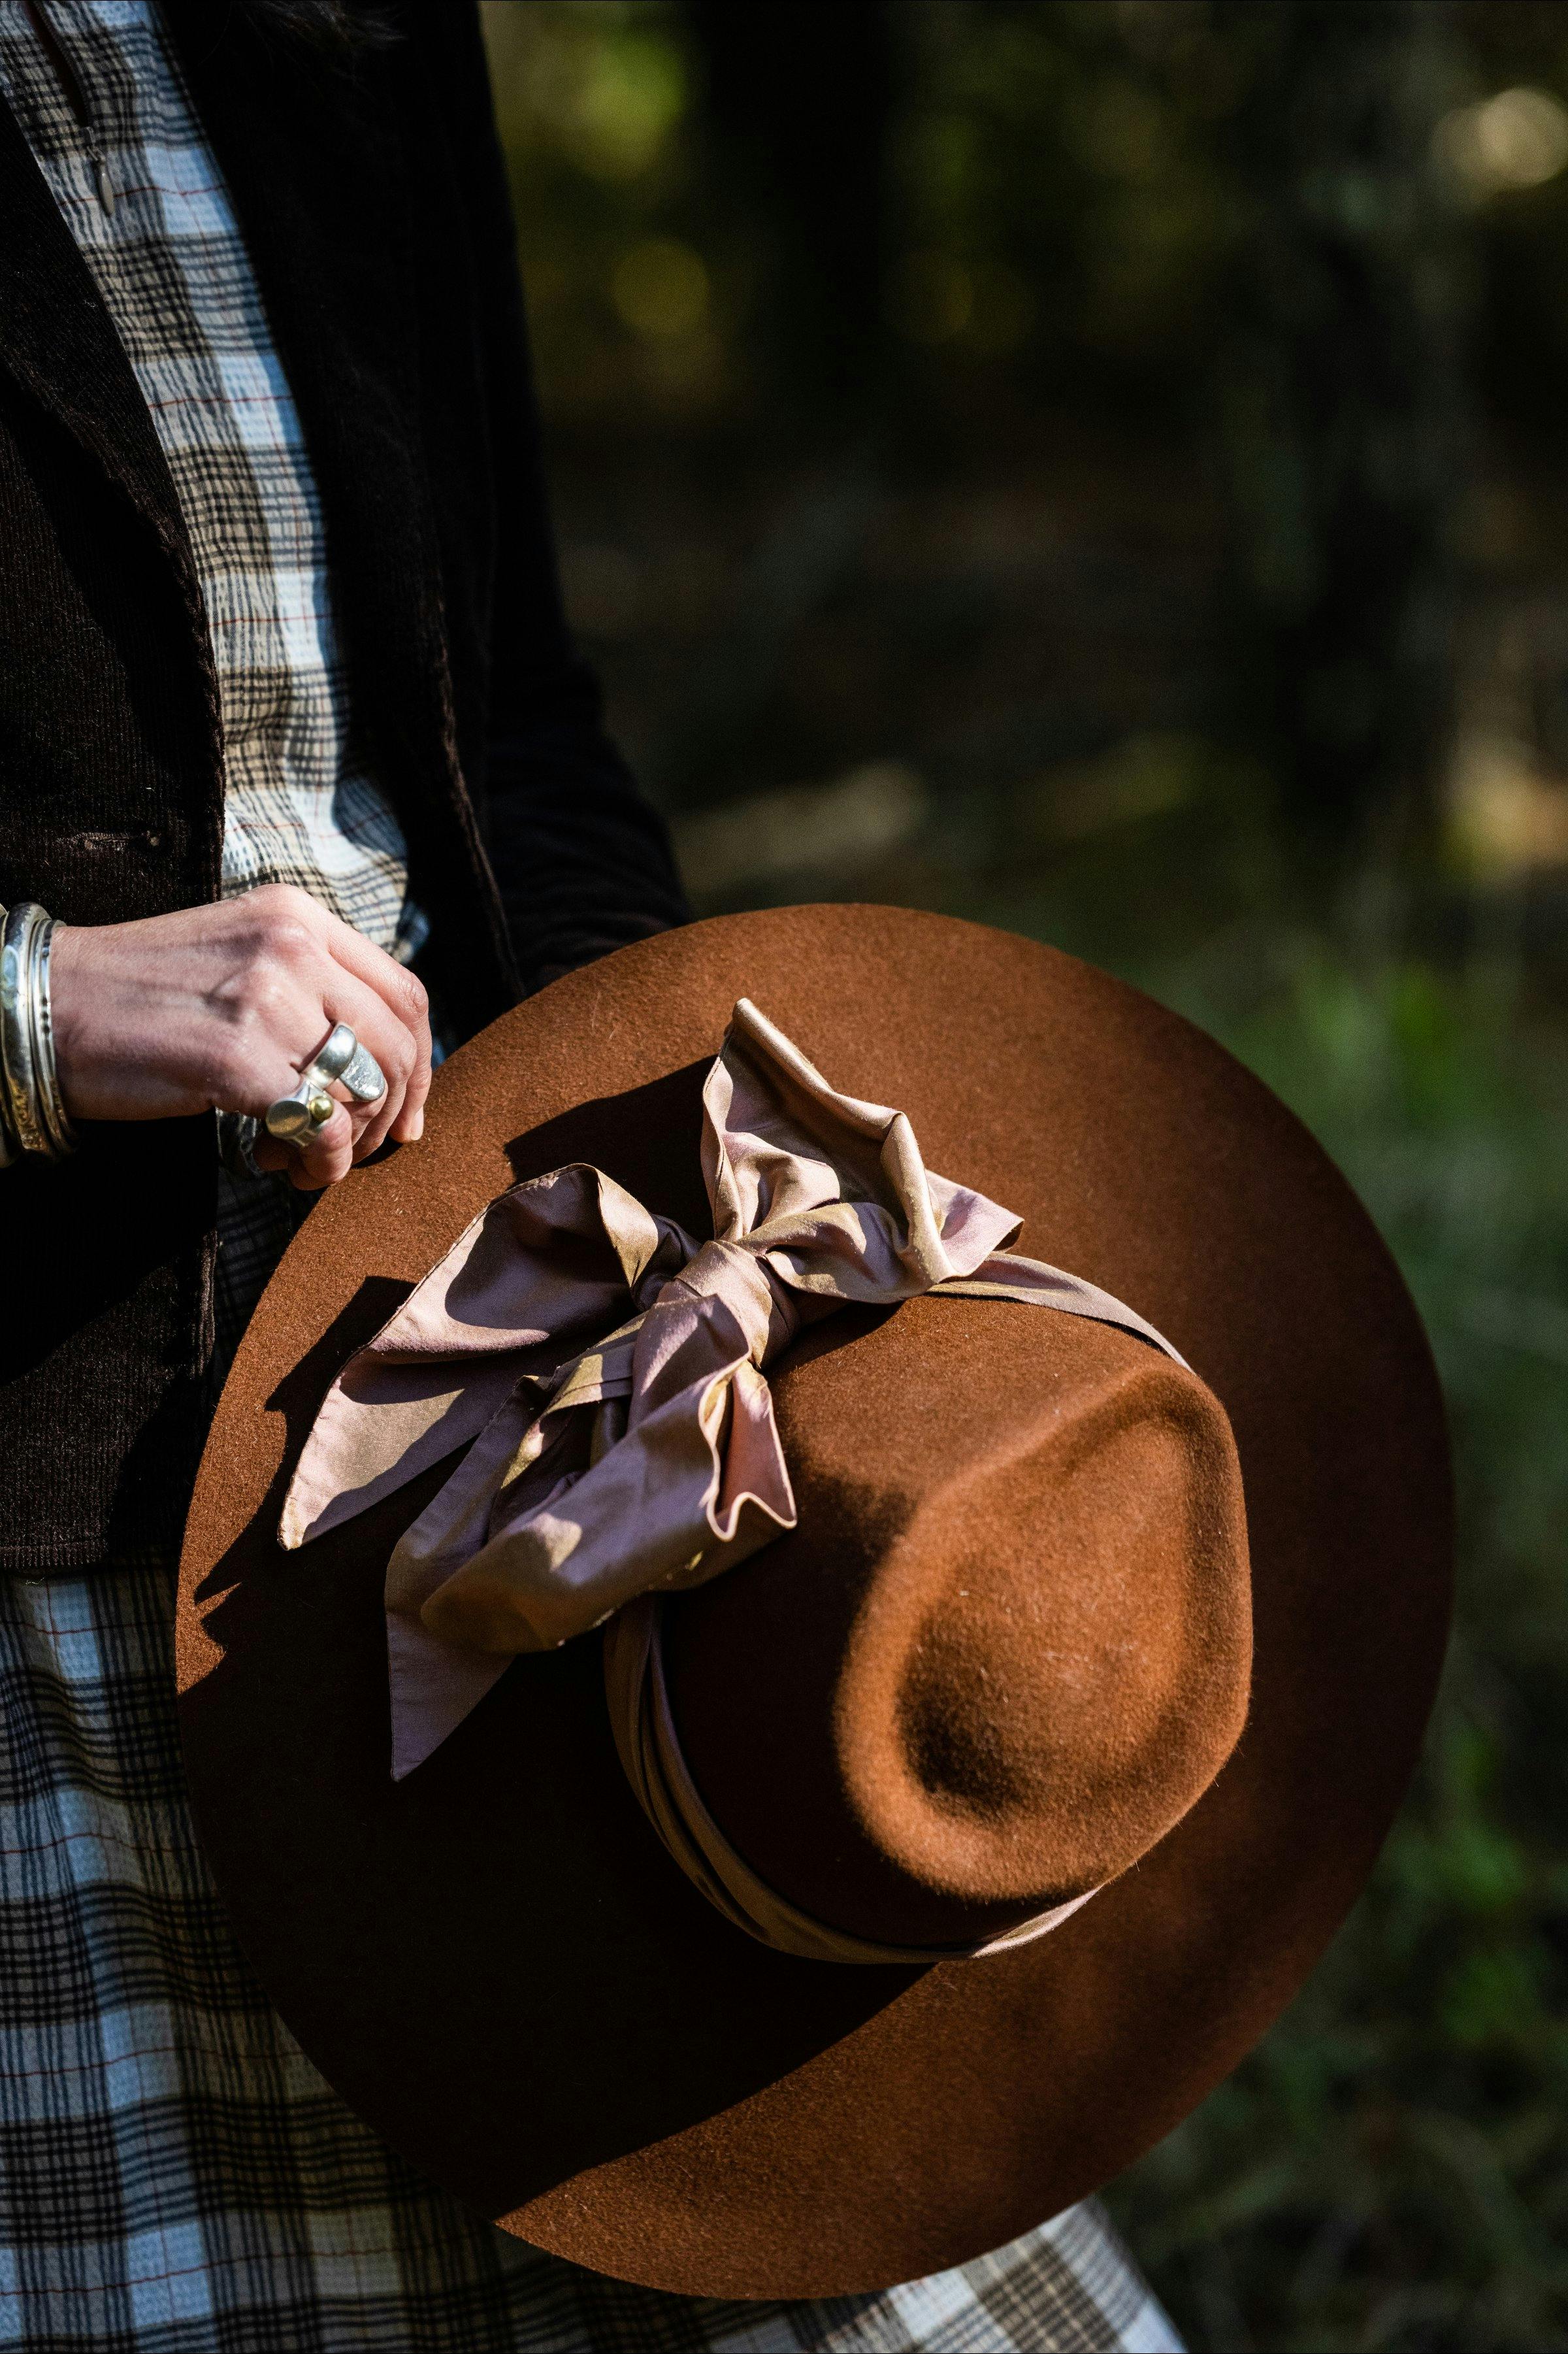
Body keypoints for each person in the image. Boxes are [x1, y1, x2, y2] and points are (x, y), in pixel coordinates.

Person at [0, 3, 1181, 2346]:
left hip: (528, 1408)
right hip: (59, 1526)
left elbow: (511, 702)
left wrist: (664, 1169)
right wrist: (34, 1007)